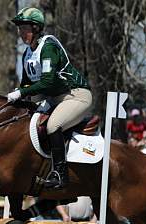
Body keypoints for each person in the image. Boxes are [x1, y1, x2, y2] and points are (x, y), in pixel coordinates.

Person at [8, 7, 92, 189]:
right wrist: (18, 94)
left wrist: (21, 93)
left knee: (53, 125)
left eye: (24, 28)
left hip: (76, 96)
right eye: (19, 28)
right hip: (55, 99)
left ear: (36, 28)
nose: (21, 32)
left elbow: (46, 83)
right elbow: (26, 85)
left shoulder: (48, 47)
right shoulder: (27, 54)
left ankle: (60, 176)